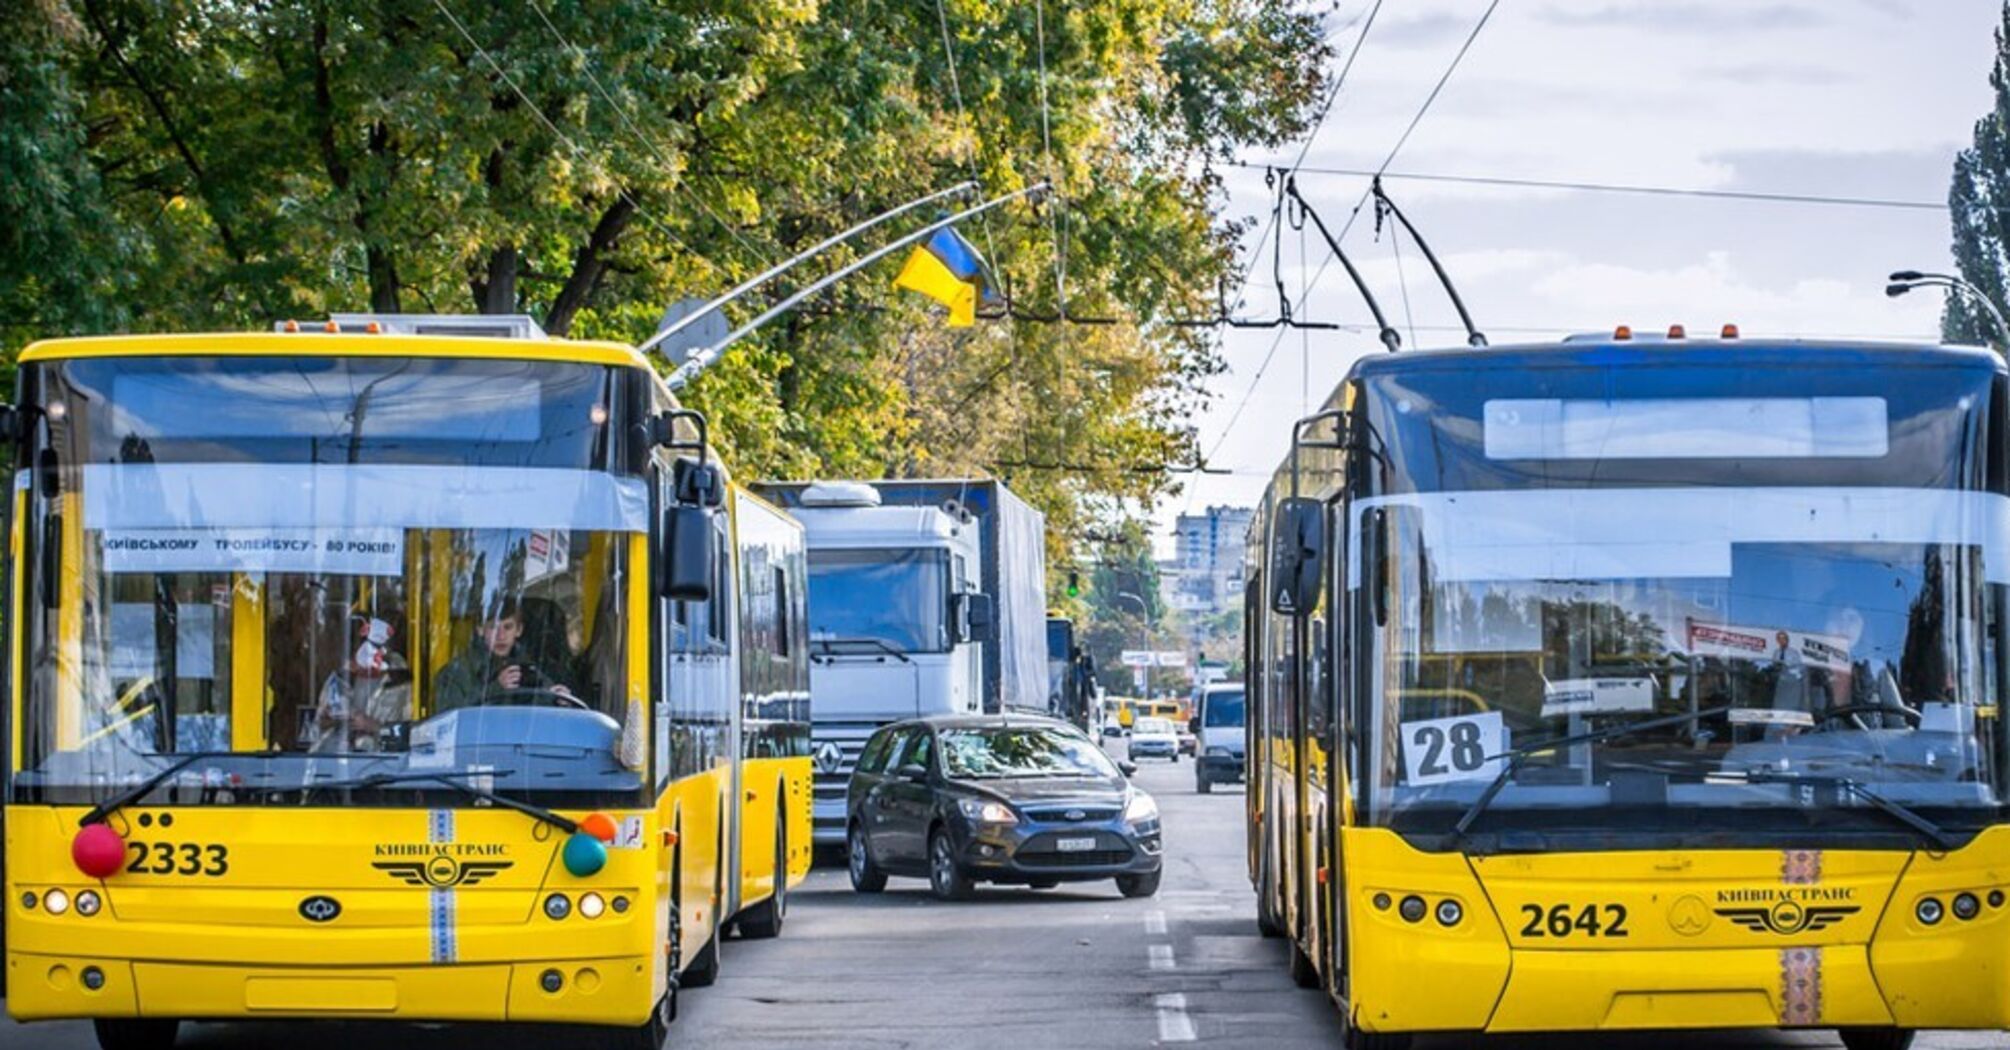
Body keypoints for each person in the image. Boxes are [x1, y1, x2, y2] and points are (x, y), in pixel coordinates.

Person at [433, 597, 576, 712]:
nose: (501, 636)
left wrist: (557, 699)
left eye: (508, 627)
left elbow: (536, 718)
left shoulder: (530, 668)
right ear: (480, 630)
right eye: (493, 627)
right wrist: (495, 688)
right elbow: (449, 719)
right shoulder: (455, 673)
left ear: (519, 630)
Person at [308, 617, 413, 752]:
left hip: (385, 766)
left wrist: (375, 727)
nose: (350, 664)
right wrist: (327, 723)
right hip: (339, 765)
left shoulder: (400, 682)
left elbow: (413, 736)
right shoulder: (338, 681)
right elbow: (313, 734)